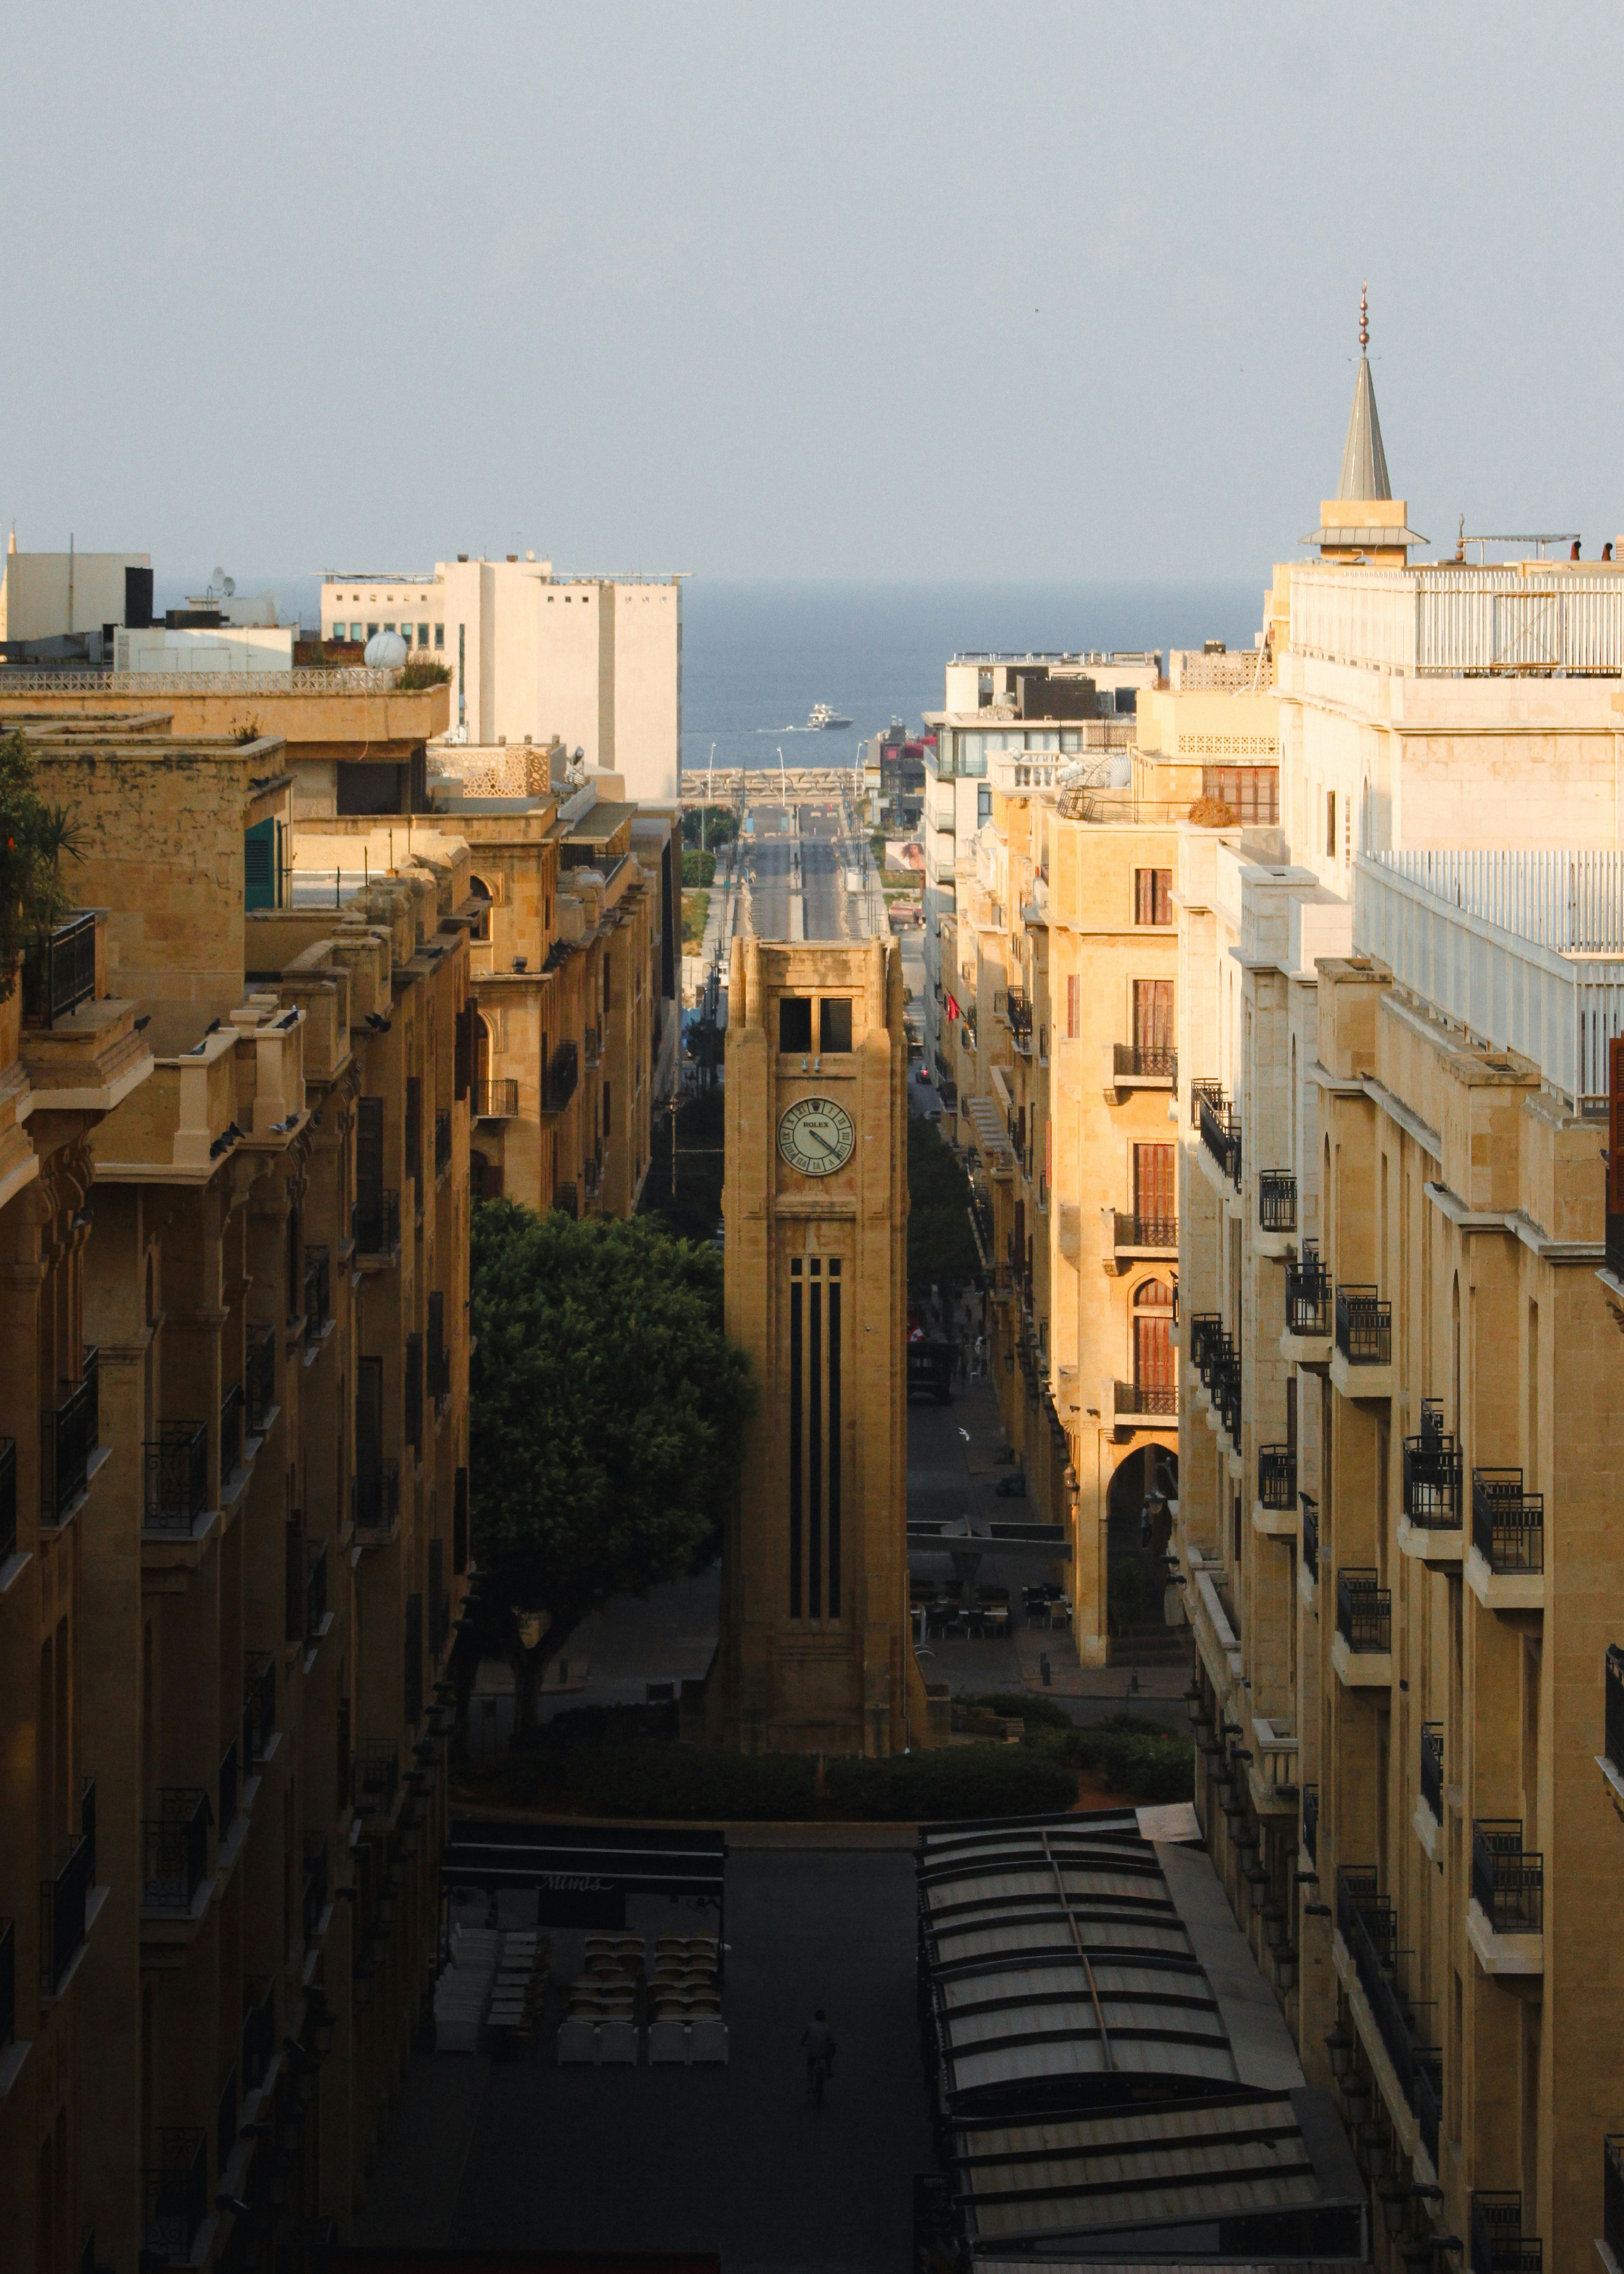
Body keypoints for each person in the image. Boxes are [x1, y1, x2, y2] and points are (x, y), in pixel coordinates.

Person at [802, 2009, 837, 2101]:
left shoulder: (810, 2026)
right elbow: (830, 2040)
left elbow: (805, 2037)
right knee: (828, 2055)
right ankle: (828, 2071)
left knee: (810, 2067)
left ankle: (810, 2086)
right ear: (824, 2018)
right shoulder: (826, 2027)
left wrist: (802, 2043)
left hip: (813, 2052)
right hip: (824, 2052)